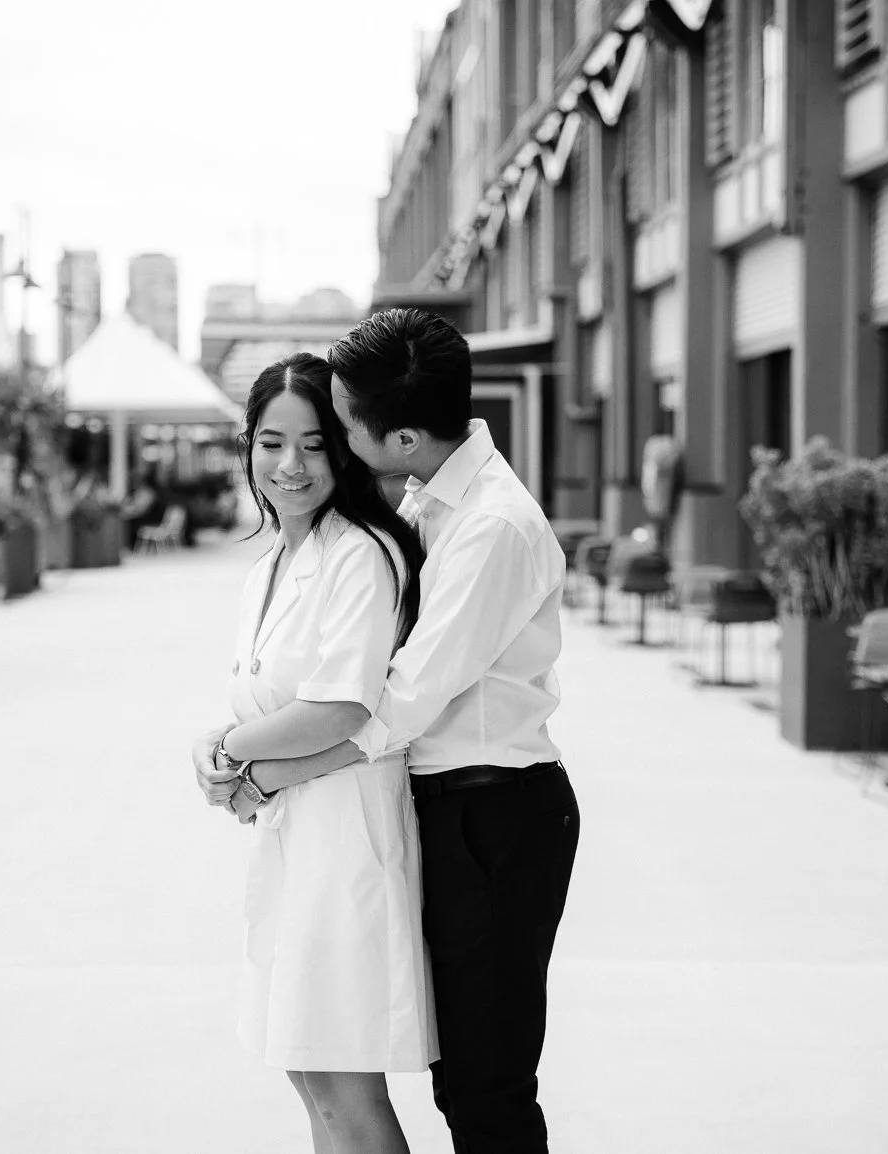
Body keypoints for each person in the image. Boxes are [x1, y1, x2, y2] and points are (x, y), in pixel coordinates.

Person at [196, 309, 580, 1154]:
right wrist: (235, 750)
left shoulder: (489, 527)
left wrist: (261, 766)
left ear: (401, 437)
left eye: (337, 426)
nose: (317, 449)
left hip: (495, 809)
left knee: (484, 1088)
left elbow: (392, 705)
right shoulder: (426, 498)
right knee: (447, 1079)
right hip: (442, 804)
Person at [195, 352, 435, 1154]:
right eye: (271, 443)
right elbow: (270, 701)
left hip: (344, 841)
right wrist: (220, 748)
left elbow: (339, 706)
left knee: (342, 1087)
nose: (290, 466)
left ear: (345, 450)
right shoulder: (272, 562)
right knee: (308, 1073)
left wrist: (231, 751)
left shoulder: (361, 553)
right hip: (294, 836)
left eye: (313, 444)